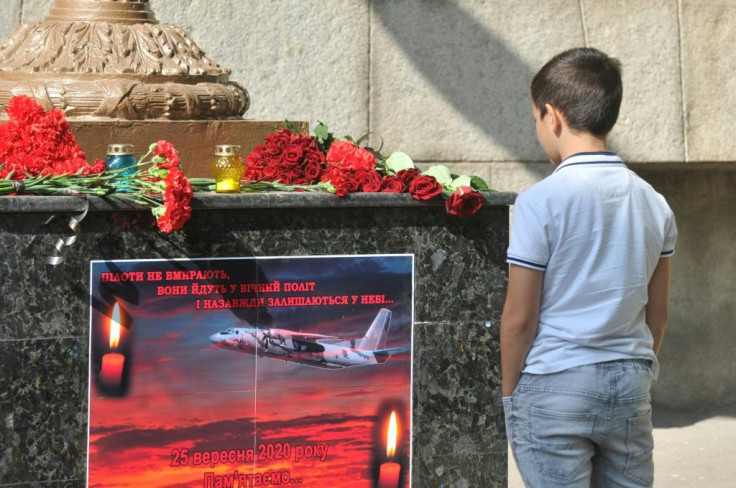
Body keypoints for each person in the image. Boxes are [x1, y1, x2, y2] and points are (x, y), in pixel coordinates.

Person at [501, 47, 677, 488]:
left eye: (535, 120)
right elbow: (658, 312)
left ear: (552, 116)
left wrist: (509, 394)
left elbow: (520, 318)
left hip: (554, 383)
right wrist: (637, 369)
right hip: (630, 384)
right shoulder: (655, 203)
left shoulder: (540, 201)